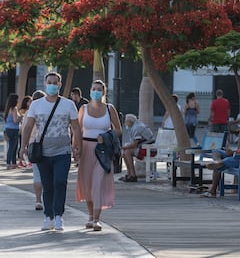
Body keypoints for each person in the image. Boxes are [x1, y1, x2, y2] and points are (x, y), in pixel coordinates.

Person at [20, 72, 82, 231]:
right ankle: (49, 216)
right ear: (45, 84)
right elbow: (28, 126)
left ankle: (59, 216)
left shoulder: (68, 104)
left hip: (63, 151)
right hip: (43, 152)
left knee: (60, 182)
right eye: (50, 82)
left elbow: (75, 127)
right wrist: (23, 146)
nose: (53, 85)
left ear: (60, 85)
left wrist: (77, 146)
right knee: (47, 185)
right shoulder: (36, 104)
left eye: (56, 82)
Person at [76, 80, 122, 231]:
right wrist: (75, 148)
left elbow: (118, 130)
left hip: (103, 150)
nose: (96, 92)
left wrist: (106, 135)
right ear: (90, 90)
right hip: (86, 149)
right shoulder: (83, 108)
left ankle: (96, 219)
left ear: (104, 92)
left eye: (99, 89)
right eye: (93, 89)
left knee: (98, 183)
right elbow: (77, 130)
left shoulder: (110, 109)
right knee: (87, 184)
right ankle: (90, 216)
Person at [201, 116, 240, 198]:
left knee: (220, 165)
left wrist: (234, 154)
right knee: (216, 151)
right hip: (238, 157)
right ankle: (219, 161)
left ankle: (212, 191)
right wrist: (233, 152)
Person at [21, 90, 46, 211]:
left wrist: (24, 146)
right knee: (47, 173)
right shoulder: (46, 111)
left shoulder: (28, 113)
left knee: (37, 174)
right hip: (47, 144)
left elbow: (24, 129)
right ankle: (47, 199)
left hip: (33, 146)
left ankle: (38, 200)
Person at [119, 114, 155, 182]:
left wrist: (124, 147)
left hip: (149, 149)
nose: (125, 124)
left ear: (130, 121)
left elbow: (134, 145)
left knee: (127, 152)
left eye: (126, 122)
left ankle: (133, 175)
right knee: (124, 153)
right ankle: (129, 174)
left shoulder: (137, 128)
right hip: (144, 148)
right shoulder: (135, 126)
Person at [4, 93, 22, 170]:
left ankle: (13, 163)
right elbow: (15, 121)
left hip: (8, 129)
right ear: (15, 100)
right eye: (17, 99)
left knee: (13, 146)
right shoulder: (14, 108)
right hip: (13, 130)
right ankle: (9, 163)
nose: (18, 100)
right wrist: (21, 117)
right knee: (12, 147)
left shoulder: (8, 108)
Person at [17, 95, 33, 167]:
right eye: (30, 101)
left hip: (30, 132)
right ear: (26, 102)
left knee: (28, 147)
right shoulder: (22, 111)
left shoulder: (31, 110)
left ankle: (28, 161)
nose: (31, 103)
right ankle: (21, 160)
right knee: (23, 146)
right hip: (22, 131)